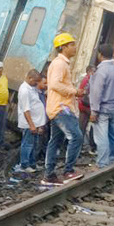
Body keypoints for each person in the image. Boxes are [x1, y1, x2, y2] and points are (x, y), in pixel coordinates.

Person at [42, 33, 85, 186]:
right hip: (61, 108)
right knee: (76, 136)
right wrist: (74, 91)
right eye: (72, 44)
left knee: (55, 140)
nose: (75, 47)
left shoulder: (61, 63)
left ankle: (49, 175)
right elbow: (54, 84)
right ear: (63, 47)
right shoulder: (60, 64)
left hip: (56, 107)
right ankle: (68, 171)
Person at [88, 44, 114, 168]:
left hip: (103, 109)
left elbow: (96, 92)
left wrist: (94, 111)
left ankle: (102, 163)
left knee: (101, 137)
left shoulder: (101, 71)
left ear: (100, 55)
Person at [16, 70, 47, 171]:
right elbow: (26, 110)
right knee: (27, 144)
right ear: (30, 78)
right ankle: (24, 165)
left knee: (33, 144)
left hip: (35, 122)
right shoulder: (24, 90)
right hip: (29, 123)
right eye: (35, 81)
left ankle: (32, 163)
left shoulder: (31, 88)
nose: (36, 83)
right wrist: (31, 125)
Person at [78, 65, 96, 153]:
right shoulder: (89, 80)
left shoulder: (85, 79)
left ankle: (82, 146)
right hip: (86, 106)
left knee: (82, 127)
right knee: (85, 127)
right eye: (93, 71)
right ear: (89, 72)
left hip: (83, 105)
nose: (95, 73)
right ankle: (86, 146)